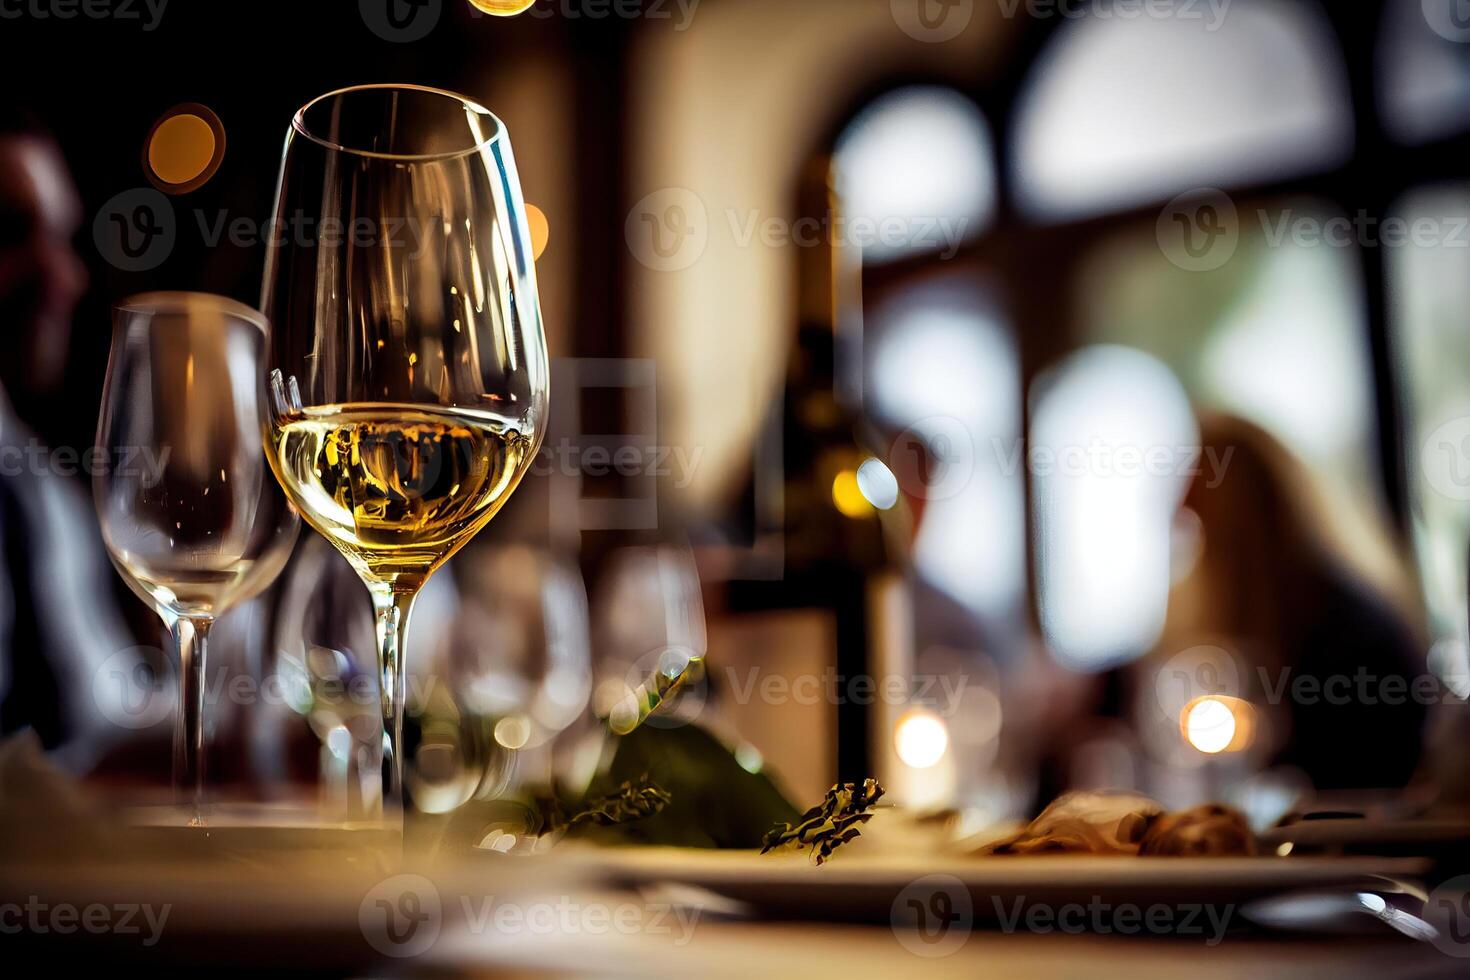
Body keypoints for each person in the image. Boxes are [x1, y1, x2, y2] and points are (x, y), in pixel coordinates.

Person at [1150, 412, 1427, 789]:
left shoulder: (1345, 628)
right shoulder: (1303, 613)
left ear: (1240, 511)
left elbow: (1356, 774)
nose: (1181, 510)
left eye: (1203, 515)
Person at [0, 109, 141, 771]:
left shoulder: (41, 487)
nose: (65, 276)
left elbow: (102, 720)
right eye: (10, 231)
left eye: (63, 238)